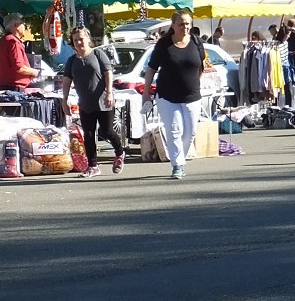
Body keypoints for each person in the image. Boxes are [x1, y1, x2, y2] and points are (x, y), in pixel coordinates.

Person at [141, 11, 207, 180]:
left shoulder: (196, 42)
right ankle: (177, 165)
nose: (185, 27)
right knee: (174, 130)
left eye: (187, 24)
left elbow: (201, 66)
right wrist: (146, 92)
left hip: (192, 95)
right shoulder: (164, 44)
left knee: (191, 132)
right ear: (173, 25)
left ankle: (181, 158)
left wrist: (196, 83)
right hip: (167, 95)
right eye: (181, 24)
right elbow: (151, 69)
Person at [60, 27, 126, 177]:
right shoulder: (72, 61)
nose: (78, 42)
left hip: (103, 101)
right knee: (88, 135)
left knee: (107, 131)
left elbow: (108, 73)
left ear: (88, 39)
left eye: (81, 39)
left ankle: (120, 153)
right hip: (85, 103)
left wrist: (109, 92)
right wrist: (64, 99)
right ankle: (93, 166)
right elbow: (66, 81)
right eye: (75, 40)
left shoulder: (97, 54)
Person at [0, 13, 41, 90]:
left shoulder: (3, 40)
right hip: (14, 88)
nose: (24, 26)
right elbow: (19, 67)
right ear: (16, 26)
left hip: (5, 86)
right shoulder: (13, 42)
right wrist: (34, 72)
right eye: (22, 23)